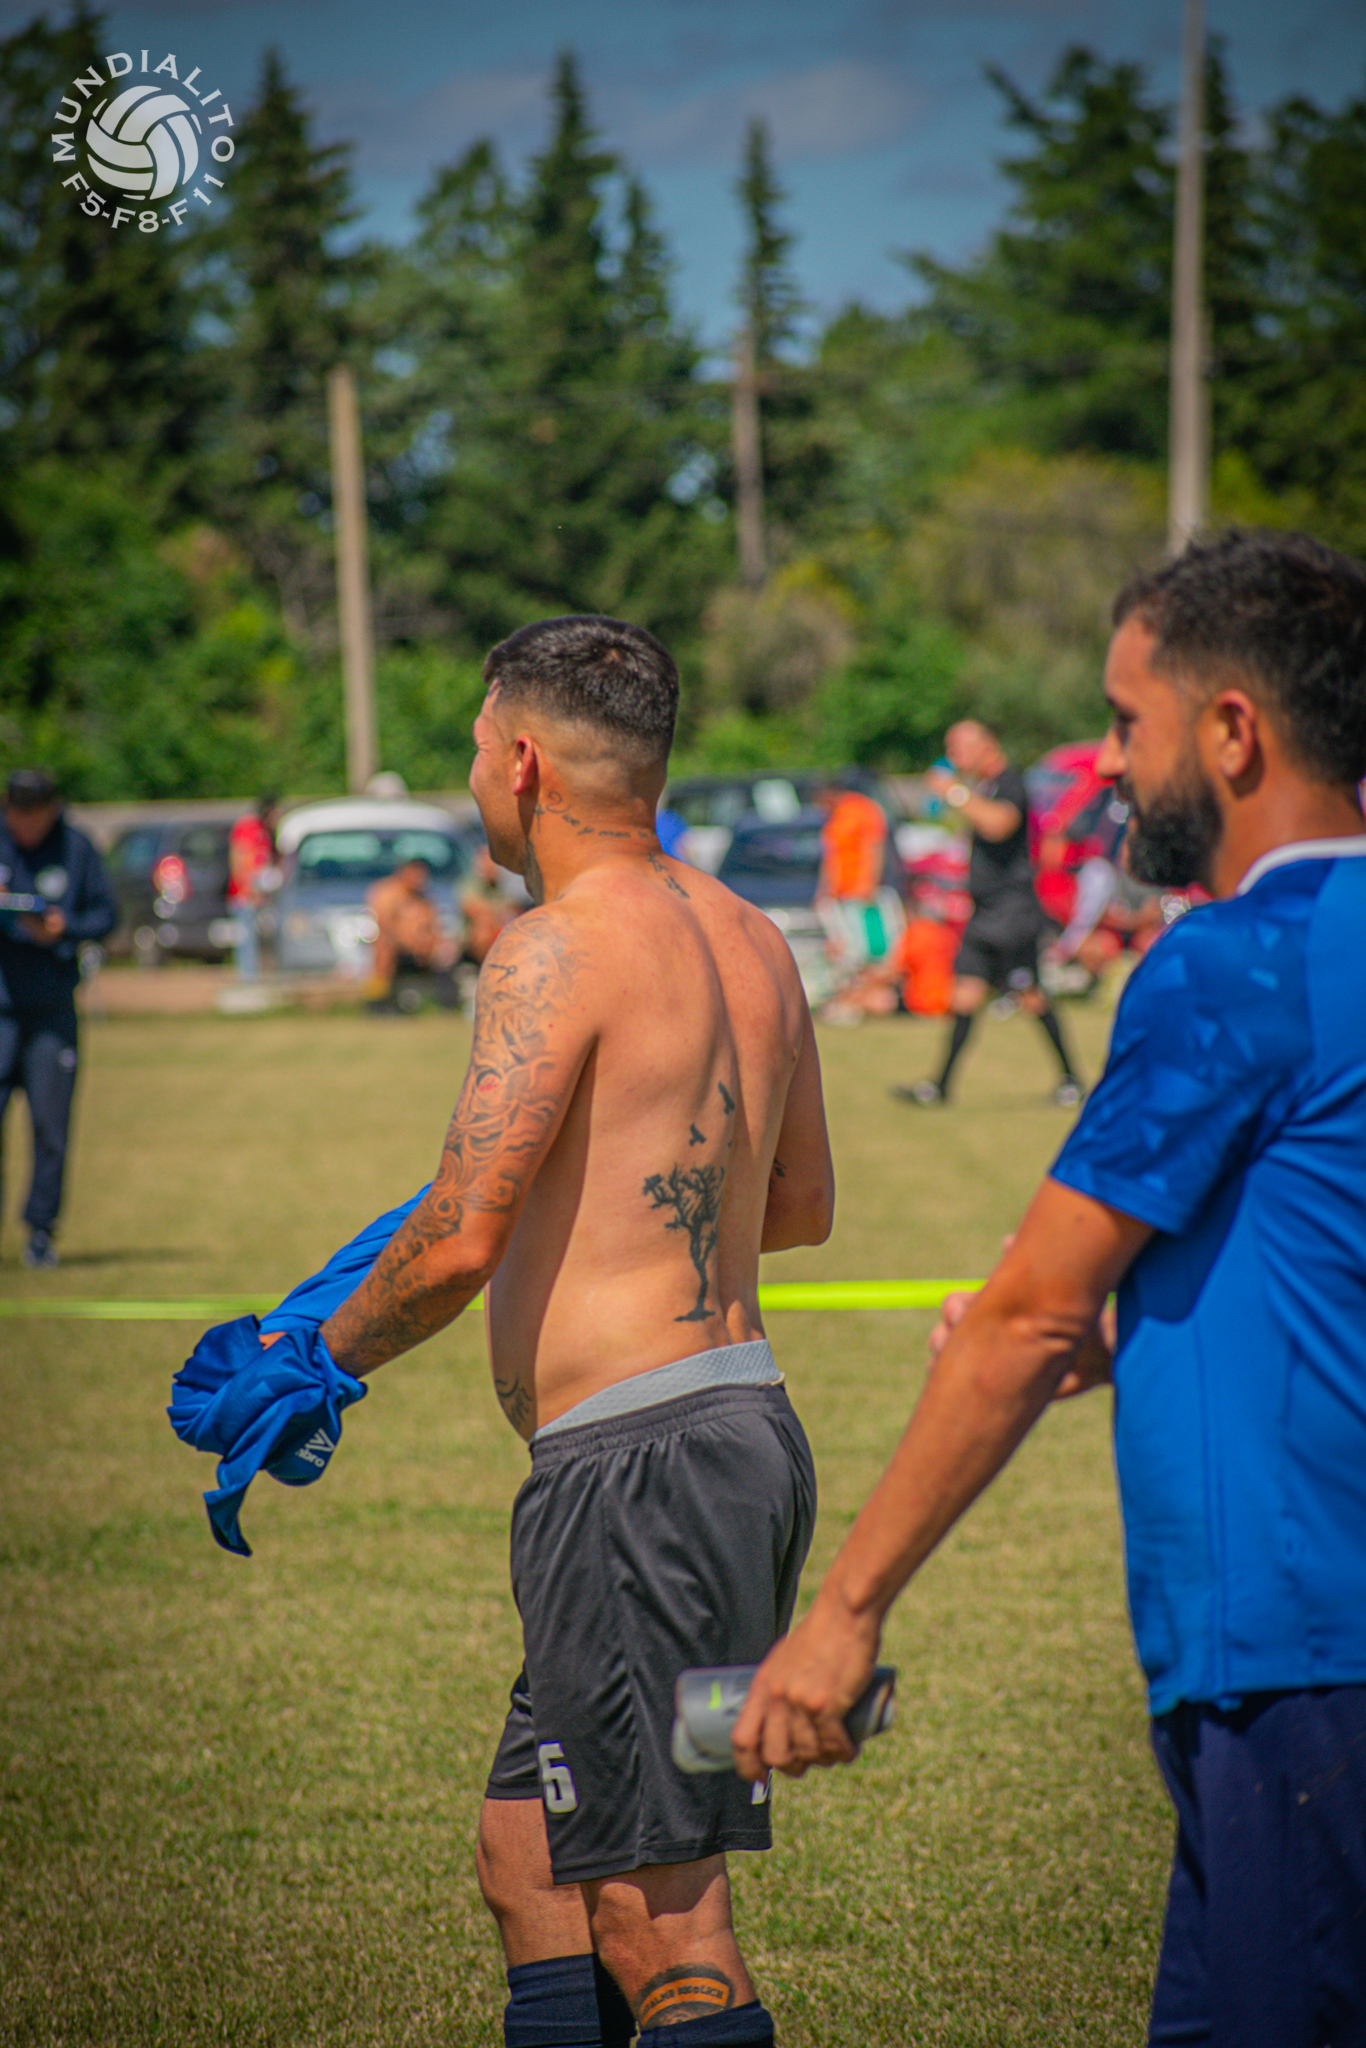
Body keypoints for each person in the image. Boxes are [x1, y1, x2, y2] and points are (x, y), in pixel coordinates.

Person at [733, 531, 1366, 2047]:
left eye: (1127, 721)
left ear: (1231, 730)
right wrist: (1142, 1332)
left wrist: (841, 1614)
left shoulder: (1233, 964)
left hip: (1297, 1651)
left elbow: (1022, 1315)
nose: (1108, 763)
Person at [300, 616, 834, 2048]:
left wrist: (314, 1361)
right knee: (527, 1856)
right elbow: (797, 1205)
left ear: (524, 761)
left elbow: (459, 1236)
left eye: (478, 748)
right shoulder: (751, 936)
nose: (476, 776)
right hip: (741, 1444)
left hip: (635, 1477)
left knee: (664, 1920)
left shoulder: (551, 946)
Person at [892, 722, 1082, 1106]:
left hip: (1012, 912)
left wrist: (953, 791)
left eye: (959, 748)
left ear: (986, 746)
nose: (954, 756)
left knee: (1030, 995)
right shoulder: (982, 787)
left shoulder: (1009, 782)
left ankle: (1071, 1081)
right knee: (964, 995)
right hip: (983, 913)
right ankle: (939, 1087)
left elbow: (999, 824)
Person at [0, 768, 117, 1267]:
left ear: (52, 809)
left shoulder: (77, 848)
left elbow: (107, 915)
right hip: (1, 1011)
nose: (25, 824)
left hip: (51, 1011)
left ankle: (41, 1233)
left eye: (35, 813)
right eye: (16, 813)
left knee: (51, 1128)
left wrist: (65, 928)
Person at [365, 857, 459, 1010]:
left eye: (423, 876)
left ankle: (447, 1001)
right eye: (416, 875)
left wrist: (430, 943)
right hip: (397, 946)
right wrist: (409, 944)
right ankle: (378, 1000)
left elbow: (433, 926)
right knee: (384, 949)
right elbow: (385, 926)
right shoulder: (386, 892)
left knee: (446, 950)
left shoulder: (424, 898)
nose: (420, 880)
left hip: (420, 947)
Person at [227, 794, 280, 982]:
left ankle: (260, 974)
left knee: (261, 937)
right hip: (245, 894)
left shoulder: (266, 832)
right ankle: (248, 978)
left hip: (260, 894)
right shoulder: (249, 828)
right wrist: (248, 890)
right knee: (246, 937)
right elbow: (239, 859)